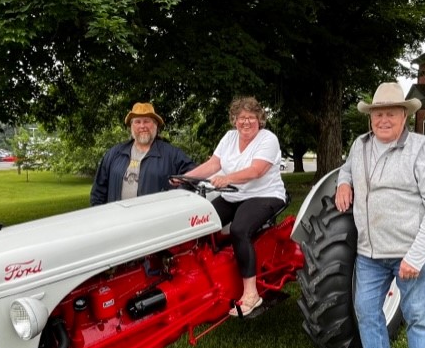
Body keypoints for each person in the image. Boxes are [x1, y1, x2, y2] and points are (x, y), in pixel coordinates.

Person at [335, 82, 425, 348]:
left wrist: (416, 255)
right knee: (368, 313)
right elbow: (347, 169)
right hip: (369, 252)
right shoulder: (360, 145)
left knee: (419, 319)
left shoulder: (422, 151)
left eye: (391, 113)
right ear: (371, 118)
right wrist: (344, 182)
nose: (383, 120)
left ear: (404, 116)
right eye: (378, 114)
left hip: (412, 255)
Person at [183, 96, 287, 317]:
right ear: (234, 120)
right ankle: (201, 278)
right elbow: (213, 164)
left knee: (239, 229)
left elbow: (256, 171)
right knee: (198, 223)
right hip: (233, 195)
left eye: (251, 117)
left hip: (264, 194)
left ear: (259, 119)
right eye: (241, 118)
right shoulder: (230, 138)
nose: (246, 122)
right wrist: (185, 177)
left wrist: (228, 178)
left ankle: (251, 294)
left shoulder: (268, 139)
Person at [90, 102, 197, 205]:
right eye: (137, 122)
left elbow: (195, 177)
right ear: (131, 126)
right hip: (118, 221)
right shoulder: (114, 153)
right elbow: (98, 193)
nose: (142, 126)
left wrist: (175, 198)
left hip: (153, 222)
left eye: (146, 121)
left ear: (155, 125)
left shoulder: (172, 155)